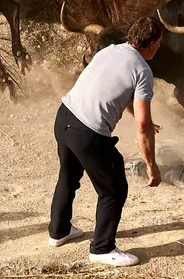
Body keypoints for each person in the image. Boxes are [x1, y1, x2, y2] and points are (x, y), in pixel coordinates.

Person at [47, 17, 164, 267]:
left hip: (65, 116)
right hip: (88, 132)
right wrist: (151, 165)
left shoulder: (110, 50)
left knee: (68, 175)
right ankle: (102, 248)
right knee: (113, 189)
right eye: (159, 44)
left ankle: (59, 231)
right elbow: (142, 127)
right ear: (152, 44)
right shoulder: (143, 71)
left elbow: (113, 91)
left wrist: (142, 118)